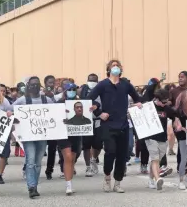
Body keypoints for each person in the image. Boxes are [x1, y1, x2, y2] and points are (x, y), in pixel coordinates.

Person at [88, 59, 142, 193]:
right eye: (113, 66)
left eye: (117, 66)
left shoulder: (126, 85)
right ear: (108, 69)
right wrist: (99, 113)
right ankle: (107, 178)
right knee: (110, 152)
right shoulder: (103, 85)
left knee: (122, 155)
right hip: (108, 124)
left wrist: (136, 106)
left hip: (123, 124)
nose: (115, 68)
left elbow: (138, 98)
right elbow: (89, 99)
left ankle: (118, 182)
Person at [12, 76, 54, 198]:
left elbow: (56, 112)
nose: (34, 86)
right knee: (30, 161)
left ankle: (34, 185)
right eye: (32, 84)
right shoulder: (22, 100)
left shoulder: (47, 100)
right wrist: (13, 116)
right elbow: (10, 110)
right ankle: (31, 187)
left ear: (40, 85)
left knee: (38, 162)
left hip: (42, 135)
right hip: (28, 136)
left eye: (37, 84)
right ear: (28, 86)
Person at [57, 84, 98, 195]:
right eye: (69, 89)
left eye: (74, 89)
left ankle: (70, 182)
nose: (71, 91)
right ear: (65, 91)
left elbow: (96, 104)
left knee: (72, 159)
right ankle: (68, 185)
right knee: (68, 157)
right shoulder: (60, 102)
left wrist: (94, 107)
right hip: (63, 134)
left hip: (76, 135)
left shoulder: (82, 102)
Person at [145, 88, 175, 191]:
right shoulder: (149, 107)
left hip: (162, 138)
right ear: (157, 99)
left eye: (167, 101)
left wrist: (179, 124)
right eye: (163, 102)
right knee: (155, 158)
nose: (165, 104)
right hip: (151, 137)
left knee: (157, 160)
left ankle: (151, 179)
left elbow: (176, 116)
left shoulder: (167, 108)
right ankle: (158, 179)